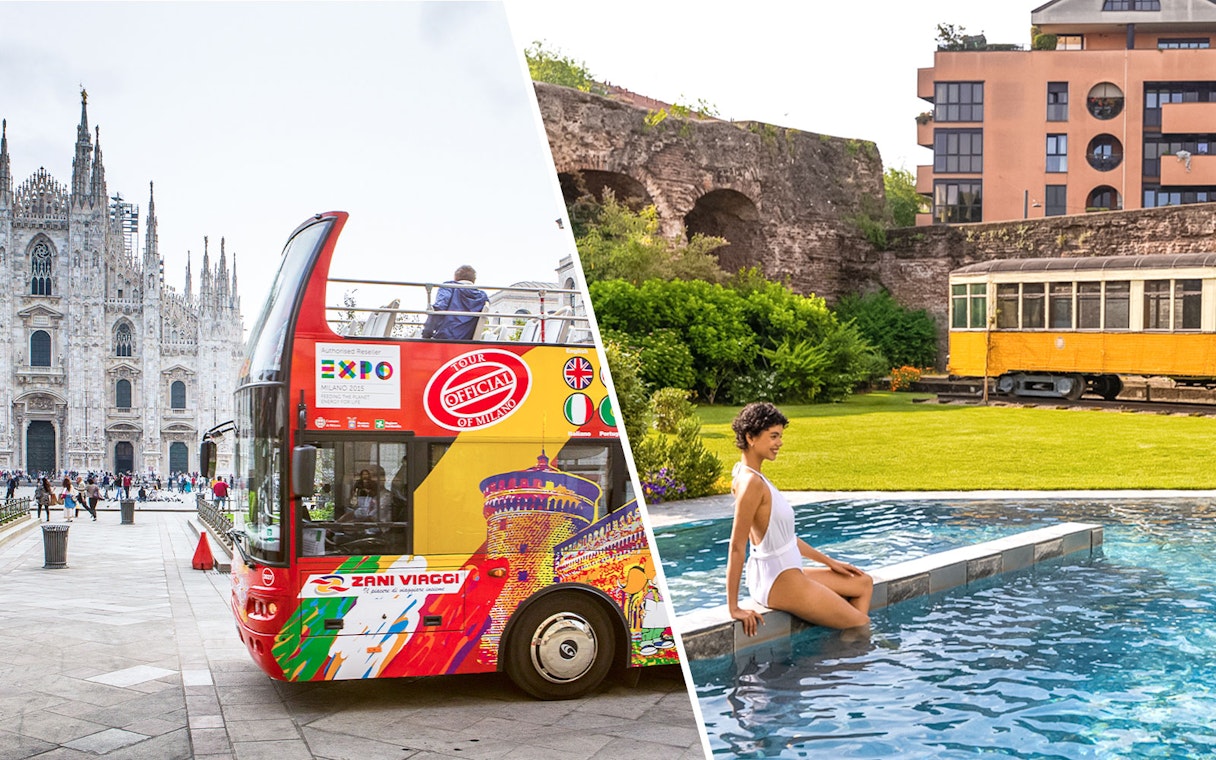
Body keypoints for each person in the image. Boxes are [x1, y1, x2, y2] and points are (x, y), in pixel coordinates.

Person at [726, 402, 873, 637]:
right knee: (860, 623)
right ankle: (845, 651)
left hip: (787, 570)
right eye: (773, 436)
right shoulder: (750, 483)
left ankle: (845, 643)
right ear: (751, 437)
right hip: (778, 581)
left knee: (862, 583)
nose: (779, 443)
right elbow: (736, 545)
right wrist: (734, 608)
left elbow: (785, 538)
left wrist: (829, 562)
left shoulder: (755, 477)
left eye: (780, 436)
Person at [420, 265, 488, 341]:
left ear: (455, 277)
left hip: (445, 339)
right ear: (474, 279)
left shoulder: (448, 287)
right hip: (469, 341)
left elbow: (438, 309)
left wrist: (426, 334)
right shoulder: (483, 296)